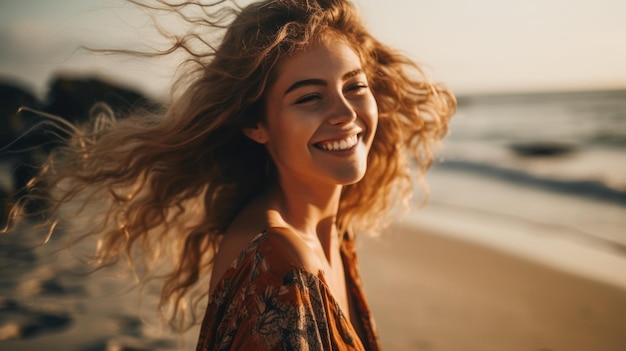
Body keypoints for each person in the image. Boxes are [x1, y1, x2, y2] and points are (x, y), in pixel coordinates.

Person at [3, 0, 455, 349]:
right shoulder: (280, 261)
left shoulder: (329, 233)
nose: (345, 113)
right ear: (256, 125)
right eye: (308, 98)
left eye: (354, 86)